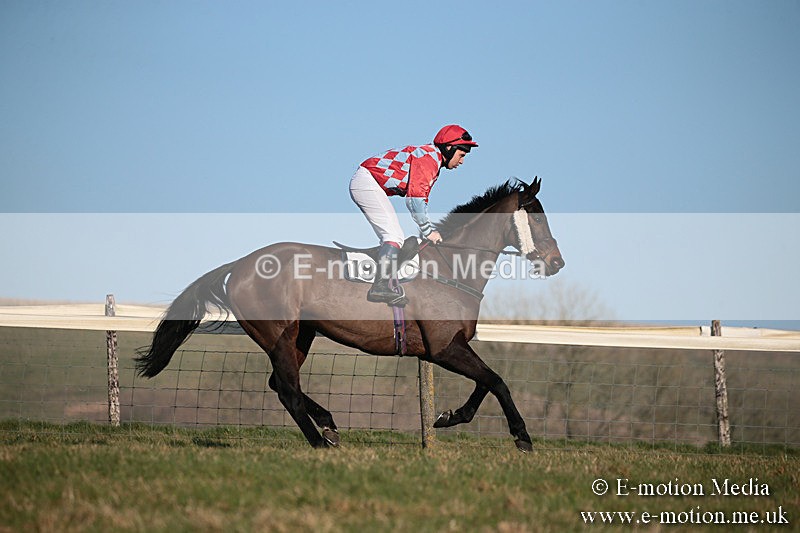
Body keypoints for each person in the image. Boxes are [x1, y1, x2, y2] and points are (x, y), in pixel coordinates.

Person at [349, 124, 478, 303]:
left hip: (370, 182)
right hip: (367, 182)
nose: (462, 161)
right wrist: (428, 231)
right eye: (461, 155)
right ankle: (379, 287)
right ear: (450, 148)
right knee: (393, 235)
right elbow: (415, 200)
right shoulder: (429, 159)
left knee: (397, 236)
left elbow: (420, 200)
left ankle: (386, 275)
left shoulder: (432, 158)